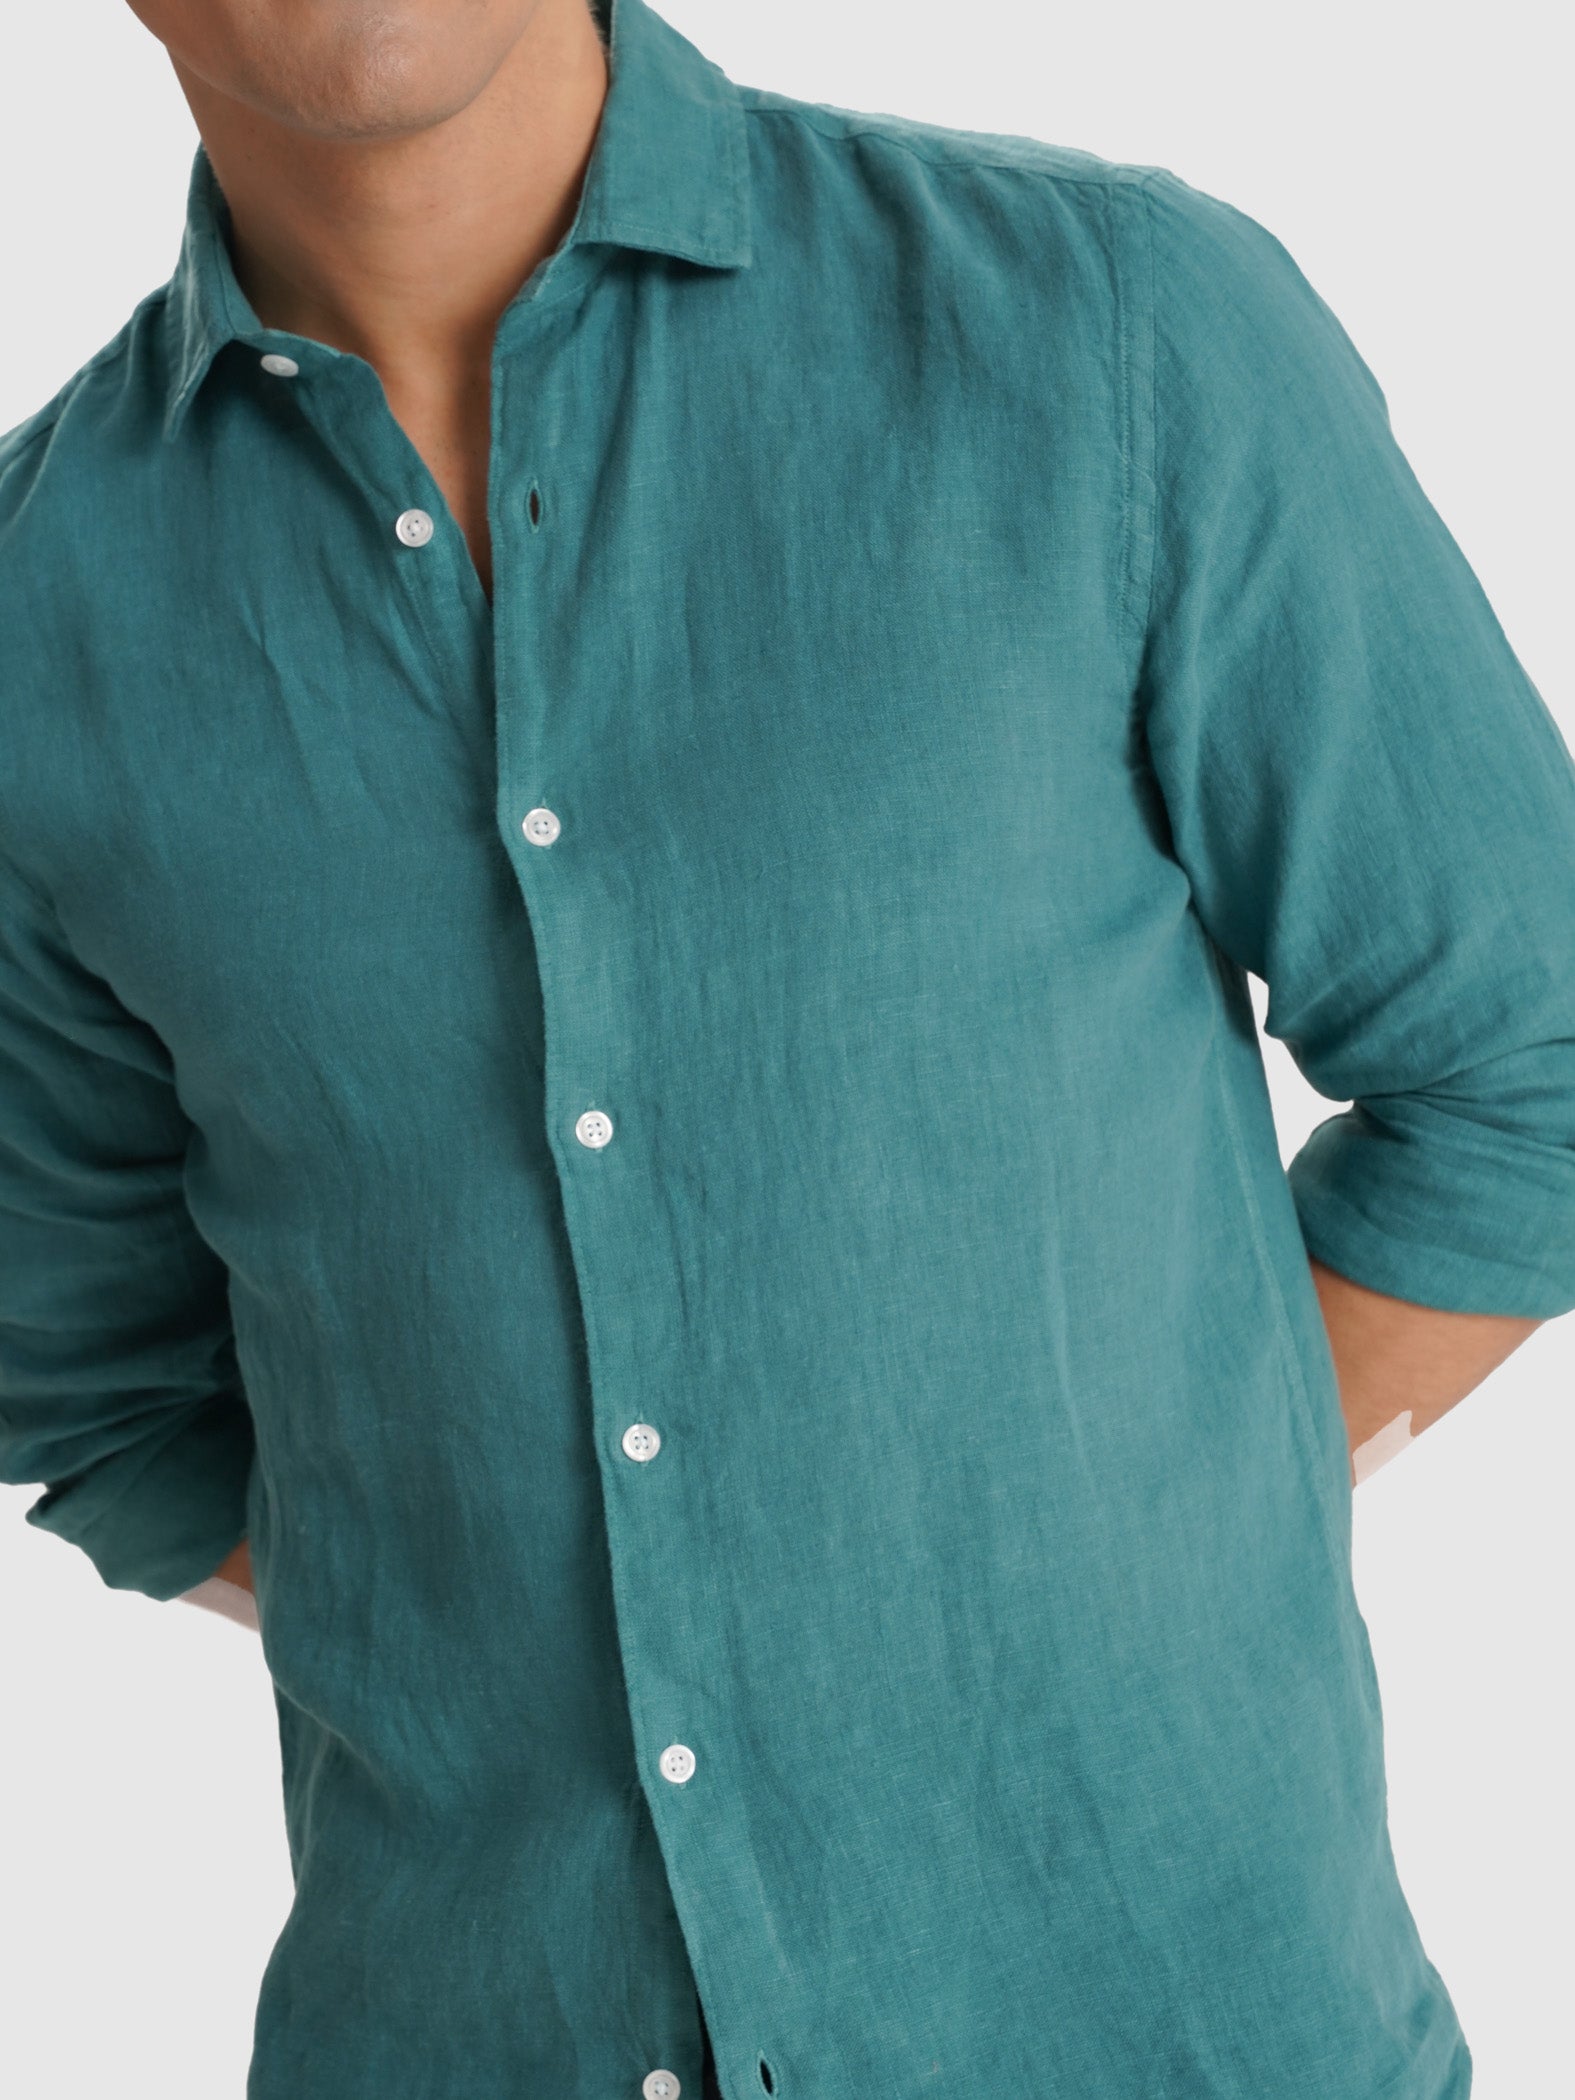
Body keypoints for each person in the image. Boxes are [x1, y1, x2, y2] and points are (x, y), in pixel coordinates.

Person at [2, 0, 1570, 2094]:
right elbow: (94, 1392)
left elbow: (1529, 1070)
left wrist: (1129, 1519)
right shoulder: (34, 614)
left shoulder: (1112, 331)